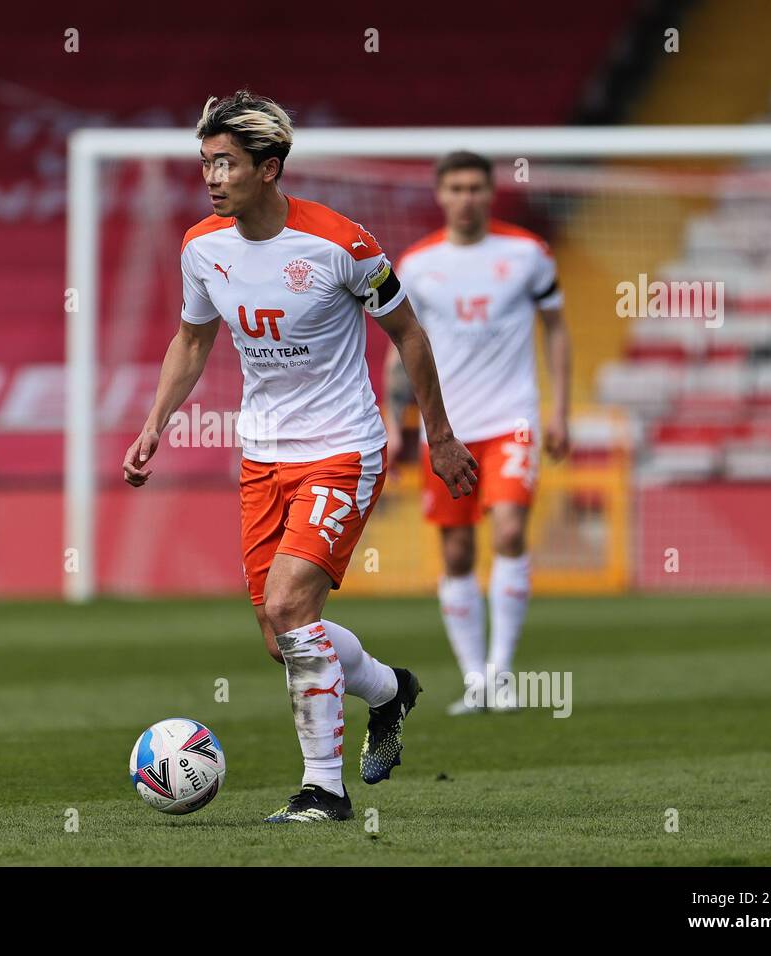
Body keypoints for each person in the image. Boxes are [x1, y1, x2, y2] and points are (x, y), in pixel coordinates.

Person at [123, 92, 477, 823]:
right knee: (279, 637)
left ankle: (324, 790)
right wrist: (156, 422)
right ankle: (387, 690)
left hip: (343, 448)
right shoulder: (202, 248)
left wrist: (438, 434)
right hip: (262, 455)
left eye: (226, 163)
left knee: (290, 606)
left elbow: (409, 334)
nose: (212, 177)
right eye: (205, 163)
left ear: (269, 168)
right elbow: (193, 341)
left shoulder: (341, 244)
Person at [385, 150, 572, 715]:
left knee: (511, 531)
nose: (466, 197)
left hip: (513, 419)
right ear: (440, 195)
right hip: (449, 430)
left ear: (490, 193)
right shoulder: (416, 265)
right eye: (456, 188)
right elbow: (401, 346)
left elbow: (557, 329)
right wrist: (397, 422)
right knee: (459, 550)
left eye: (475, 188)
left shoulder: (527, 255)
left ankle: (502, 674)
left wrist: (559, 409)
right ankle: (476, 683)